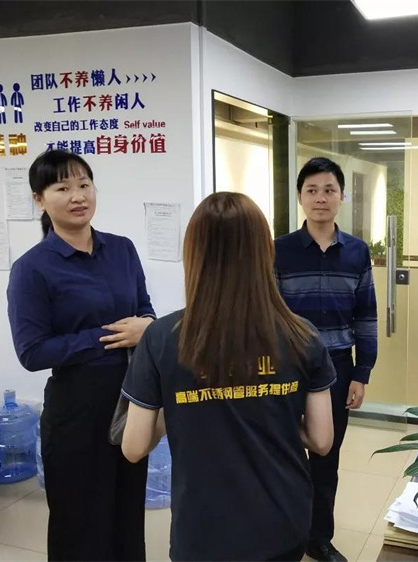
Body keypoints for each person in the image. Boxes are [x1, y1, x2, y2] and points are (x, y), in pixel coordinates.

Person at [120, 192, 336, 562]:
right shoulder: (302, 335)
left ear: (194, 253)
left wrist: (184, 406)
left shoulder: (161, 337)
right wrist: (271, 412)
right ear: (266, 251)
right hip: (283, 519)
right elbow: (321, 440)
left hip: (203, 528)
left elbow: (134, 446)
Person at [7, 150, 155, 561]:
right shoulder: (32, 269)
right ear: (39, 199)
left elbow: (145, 309)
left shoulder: (122, 249)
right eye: (63, 188)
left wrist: (147, 326)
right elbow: (32, 351)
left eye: (84, 185)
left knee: (127, 514)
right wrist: (109, 336)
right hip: (76, 412)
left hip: (131, 403)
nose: (78, 196)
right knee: (80, 523)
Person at [275, 157, 378, 562]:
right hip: (285, 366)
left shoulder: (357, 252)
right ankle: (285, 535)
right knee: (282, 453)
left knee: (325, 455)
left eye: (329, 190)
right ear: (300, 197)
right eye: (312, 190)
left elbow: (366, 316)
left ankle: (319, 537)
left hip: (337, 367)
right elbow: (267, 313)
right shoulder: (278, 250)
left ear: (342, 196)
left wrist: (362, 372)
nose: (321, 198)